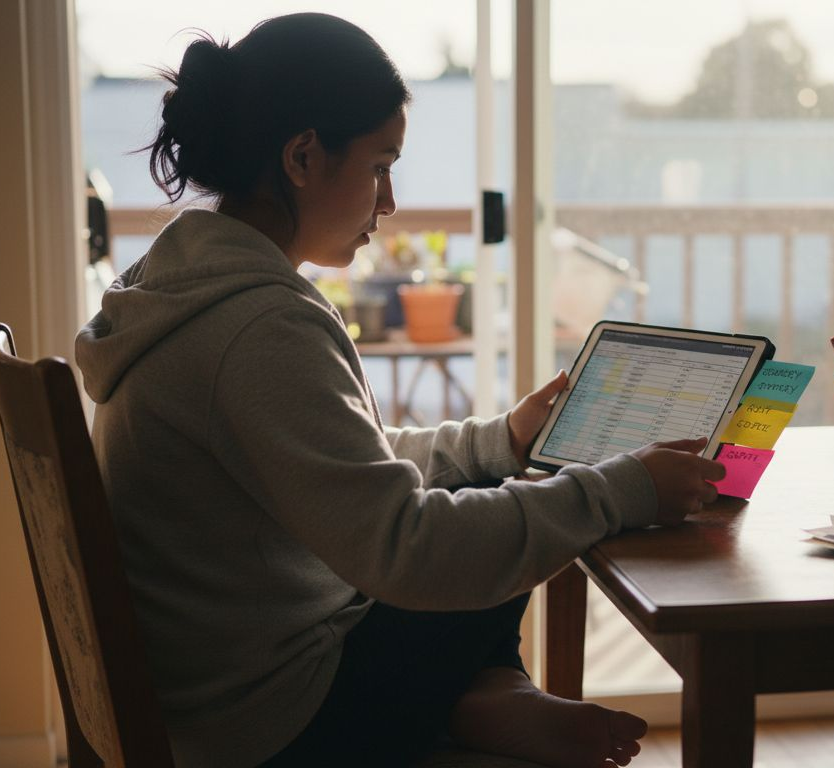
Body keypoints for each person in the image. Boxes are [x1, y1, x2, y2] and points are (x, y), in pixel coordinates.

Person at [75, 13, 724, 768]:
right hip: (267, 724)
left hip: (223, 684)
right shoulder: (257, 329)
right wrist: (619, 491)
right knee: (491, 531)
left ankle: (483, 698)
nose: (388, 202)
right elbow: (407, 549)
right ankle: (480, 697)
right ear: (303, 156)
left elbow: (349, 466)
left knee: (501, 476)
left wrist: (502, 439)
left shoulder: (190, 285)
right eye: (381, 165)